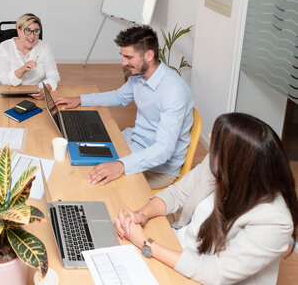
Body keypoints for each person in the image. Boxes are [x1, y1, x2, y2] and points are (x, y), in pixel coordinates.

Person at [114, 113, 298, 285]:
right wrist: (141, 215)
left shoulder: (275, 221)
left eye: (218, 137)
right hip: (176, 249)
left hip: (201, 275)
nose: (209, 135)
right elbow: (177, 193)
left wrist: (146, 243)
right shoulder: (220, 163)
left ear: (240, 162)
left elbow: (214, 272)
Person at [54, 25, 193, 188]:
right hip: (132, 144)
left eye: (129, 57)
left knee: (88, 178)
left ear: (149, 55)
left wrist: (121, 165)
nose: (123, 62)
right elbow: (119, 97)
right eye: (122, 56)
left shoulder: (173, 91)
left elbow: (163, 150)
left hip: (157, 168)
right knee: (77, 152)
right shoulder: (140, 76)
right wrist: (81, 99)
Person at [0, 13, 60, 100]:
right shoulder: (4, 46)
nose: (32, 36)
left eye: (36, 31)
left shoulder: (44, 46)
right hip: (9, 93)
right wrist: (22, 70)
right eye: (27, 30)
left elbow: (53, 75)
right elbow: (3, 80)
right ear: (19, 31)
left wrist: (46, 89)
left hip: (36, 94)